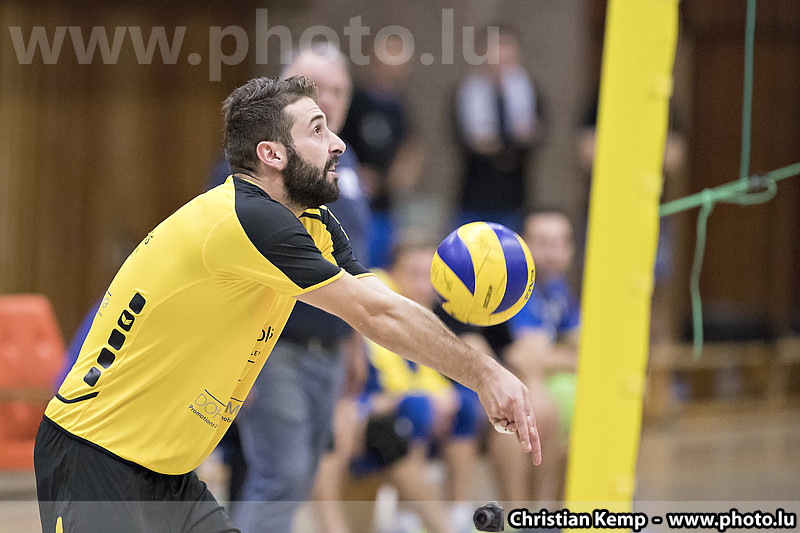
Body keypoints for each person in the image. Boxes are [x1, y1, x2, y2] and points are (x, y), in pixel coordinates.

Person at [34, 76, 541, 533]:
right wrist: (484, 373)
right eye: (318, 130)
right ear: (272, 154)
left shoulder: (313, 221)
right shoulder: (247, 217)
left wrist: (478, 369)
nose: (339, 143)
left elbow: (379, 301)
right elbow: (375, 315)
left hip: (167, 475)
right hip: (95, 455)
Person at [231, 44, 372, 533]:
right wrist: (238, 361)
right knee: (281, 475)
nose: (327, 99)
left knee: (305, 473)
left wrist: (355, 343)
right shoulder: (256, 163)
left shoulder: (343, 164)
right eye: (314, 88)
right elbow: (234, 267)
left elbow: (351, 261)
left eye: (338, 90)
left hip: (328, 351)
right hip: (273, 349)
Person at [318, 236, 484, 533]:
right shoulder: (373, 303)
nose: (422, 285)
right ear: (392, 274)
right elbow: (367, 386)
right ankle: (411, 519)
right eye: (413, 273)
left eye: (428, 276)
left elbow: (425, 377)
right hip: (353, 411)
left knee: (463, 405)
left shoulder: (423, 313)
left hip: (388, 414)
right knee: (408, 413)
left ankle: (459, 511)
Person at [488, 208, 580, 506]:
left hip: (532, 380)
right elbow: (529, 357)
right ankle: (522, 515)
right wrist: (578, 361)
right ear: (521, 246)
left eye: (560, 243)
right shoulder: (513, 286)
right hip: (491, 383)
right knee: (538, 406)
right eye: (543, 243)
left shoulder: (557, 288)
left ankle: (558, 512)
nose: (553, 253)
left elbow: (580, 343)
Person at [339, 34, 424, 268]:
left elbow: (411, 145)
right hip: (353, 205)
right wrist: (355, 173)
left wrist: (401, 175)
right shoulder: (354, 101)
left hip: (385, 209)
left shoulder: (399, 106)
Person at [453, 24, 544, 232]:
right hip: (474, 193)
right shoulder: (467, 92)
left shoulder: (529, 91)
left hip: (514, 196)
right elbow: (461, 138)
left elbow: (538, 133)